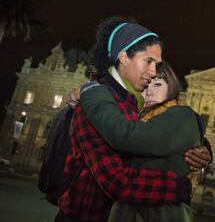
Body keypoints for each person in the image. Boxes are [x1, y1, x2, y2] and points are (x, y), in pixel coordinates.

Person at [57, 17, 211, 222]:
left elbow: (153, 136)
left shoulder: (134, 105)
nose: (153, 72)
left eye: (157, 65)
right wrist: (182, 186)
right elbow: (117, 182)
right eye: (148, 61)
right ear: (123, 57)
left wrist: (200, 146)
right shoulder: (96, 105)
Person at [79, 60, 205, 221]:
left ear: (171, 86)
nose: (149, 92)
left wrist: (91, 91)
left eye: (158, 84)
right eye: (145, 86)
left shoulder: (181, 115)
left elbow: (126, 137)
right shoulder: (141, 118)